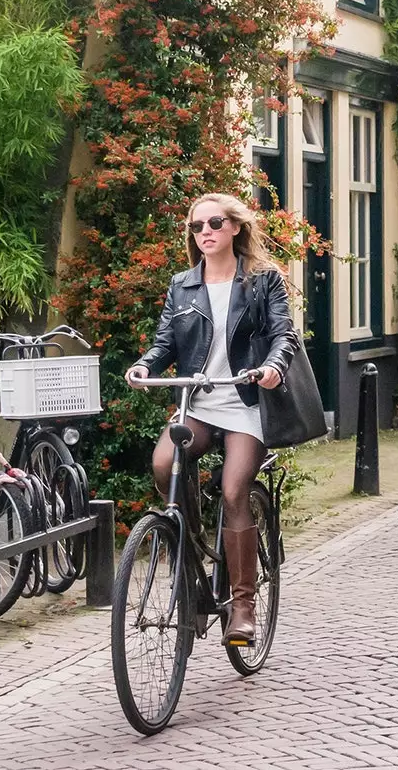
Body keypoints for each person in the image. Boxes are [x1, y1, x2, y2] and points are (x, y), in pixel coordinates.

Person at [126, 193, 297, 646]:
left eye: (215, 223)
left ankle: (242, 606)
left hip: (245, 402)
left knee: (234, 488)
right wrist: (145, 365)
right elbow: (165, 342)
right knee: (165, 465)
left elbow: (285, 334)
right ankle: (192, 548)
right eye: (197, 226)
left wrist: (274, 367)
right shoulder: (182, 284)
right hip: (198, 403)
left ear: (235, 227)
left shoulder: (263, 280)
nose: (205, 232)